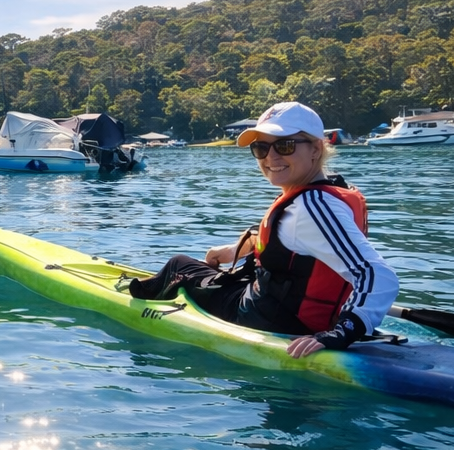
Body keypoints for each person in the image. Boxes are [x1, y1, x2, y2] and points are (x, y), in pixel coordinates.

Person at [126, 102, 399, 355]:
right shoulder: (330, 194)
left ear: (316, 149)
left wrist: (343, 332)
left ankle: (138, 309)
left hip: (265, 319)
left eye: (285, 146)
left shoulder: (311, 207)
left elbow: (377, 275)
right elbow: (296, 246)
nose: (271, 157)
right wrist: (234, 250)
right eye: (261, 148)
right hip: (293, 313)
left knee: (178, 265)